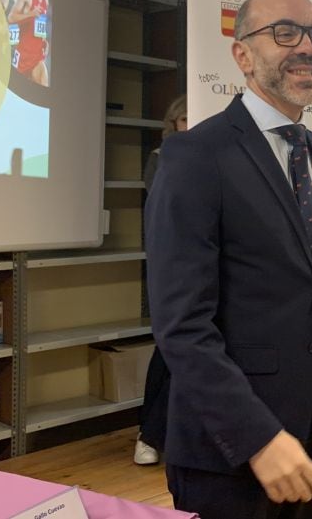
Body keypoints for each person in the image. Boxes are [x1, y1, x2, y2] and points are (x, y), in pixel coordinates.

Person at [145, 0, 312, 519]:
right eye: (284, 33)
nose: (306, 47)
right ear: (242, 54)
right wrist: (258, 437)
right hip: (229, 448)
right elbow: (182, 326)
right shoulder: (196, 156)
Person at [133, 94, 187, 466]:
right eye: (184, 118)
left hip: (200, 272)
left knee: (173, 356)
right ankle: (148, 434)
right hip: (171, 268)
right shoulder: (160, 159)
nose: (189, 124)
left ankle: (153, 433)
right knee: (168, 353)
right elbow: (167, 207)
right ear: (173, 122)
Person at [7, 0, 49, 86]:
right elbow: (11, 18)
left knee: (43, 86)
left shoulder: (45, 1)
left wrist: (45, 41)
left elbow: (40, 27)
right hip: (23, 55)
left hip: (37, 55)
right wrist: (31, 14)